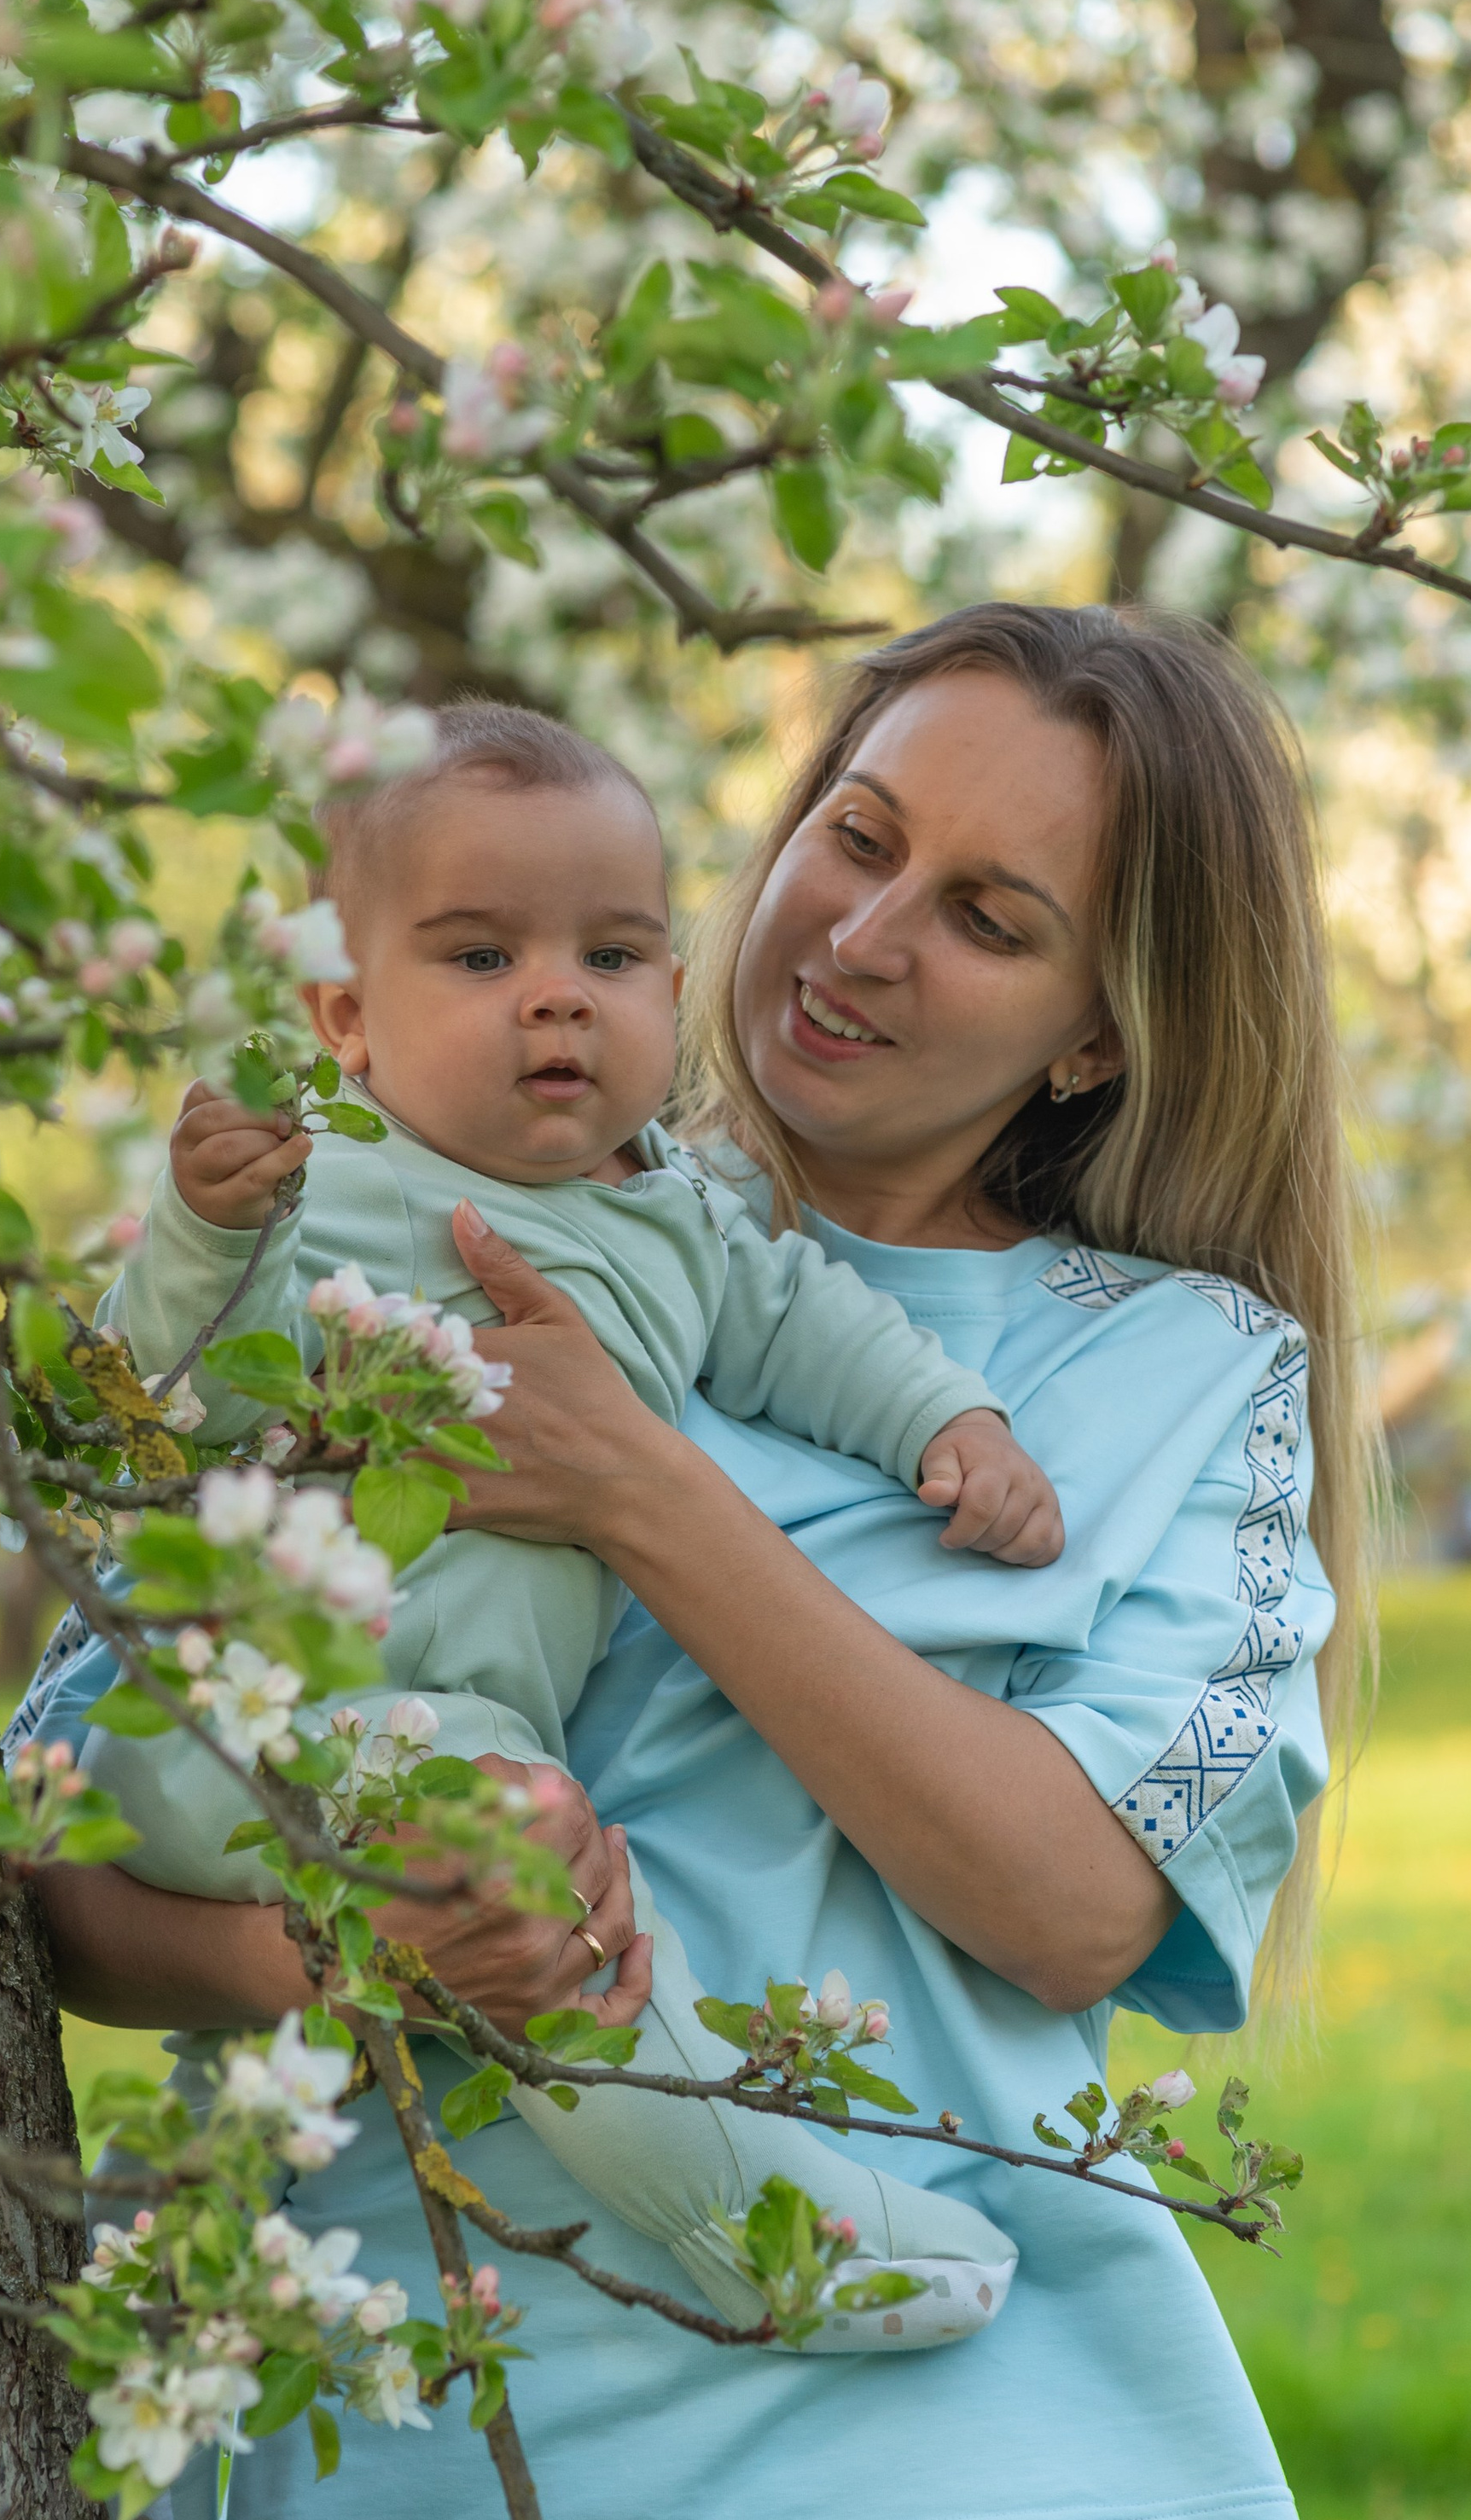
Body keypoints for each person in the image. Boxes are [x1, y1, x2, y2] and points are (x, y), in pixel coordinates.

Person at [21, 601, 1370, 2520]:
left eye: (989, 918)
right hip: (405, 2464)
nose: (860, 935)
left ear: (1095, 1028)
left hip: (950, 2497)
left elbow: (1079, 1902)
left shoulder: (1189, 1378)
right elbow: (49, 1853)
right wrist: (342, 1938)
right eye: (856, 833)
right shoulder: (383, 1216)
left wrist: (634, 1489)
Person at [85, 700, 1056, 2349]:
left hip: (411, 1735)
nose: (554, 994)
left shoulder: (680, 1212)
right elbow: (134, 1408)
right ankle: (764, 2232)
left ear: (671, 995)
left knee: (257, 2107)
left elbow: (811, 1328)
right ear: (346, 1018)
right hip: (251, 1711)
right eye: (475, 959)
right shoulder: (322, 1179)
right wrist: (194, 1227)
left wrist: (953, 1426)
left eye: (610, 956)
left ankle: (164, 2411)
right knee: (547, 1896)